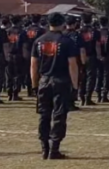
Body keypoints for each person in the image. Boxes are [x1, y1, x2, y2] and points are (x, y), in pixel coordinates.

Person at [30, 13, 80, 160]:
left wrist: (34, 85)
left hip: (44, 81)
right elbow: (72, 65)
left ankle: (44, 148)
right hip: (61, 81)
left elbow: (33, 65)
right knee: (59, 115)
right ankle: (54, 149)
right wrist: (75, 86)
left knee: (44, 115)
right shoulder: (66, 41)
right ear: (62, 23)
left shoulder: (38, 41)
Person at [78, 14, 99, 105]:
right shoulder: (95, 31)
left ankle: (81, 96)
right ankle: (88, 97)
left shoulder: (79, 31)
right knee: (91, 77)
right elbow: (97, 45)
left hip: (80, 56)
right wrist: (99, 56)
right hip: (91, 55)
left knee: (82, 76)